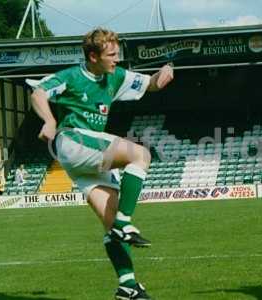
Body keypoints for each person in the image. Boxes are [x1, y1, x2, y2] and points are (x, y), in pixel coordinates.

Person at [28, 28, 173, 300]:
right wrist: (49, 120)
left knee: (111, 224)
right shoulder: (72, 76)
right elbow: (38, 93)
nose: (117, 59)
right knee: (141, 155)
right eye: (111, 55)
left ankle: (127, 285)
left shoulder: (115, 76)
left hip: (82, 162)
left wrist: (162, 75)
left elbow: (149, 84)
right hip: (73, 140)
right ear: (93, 56)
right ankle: (125, 222)